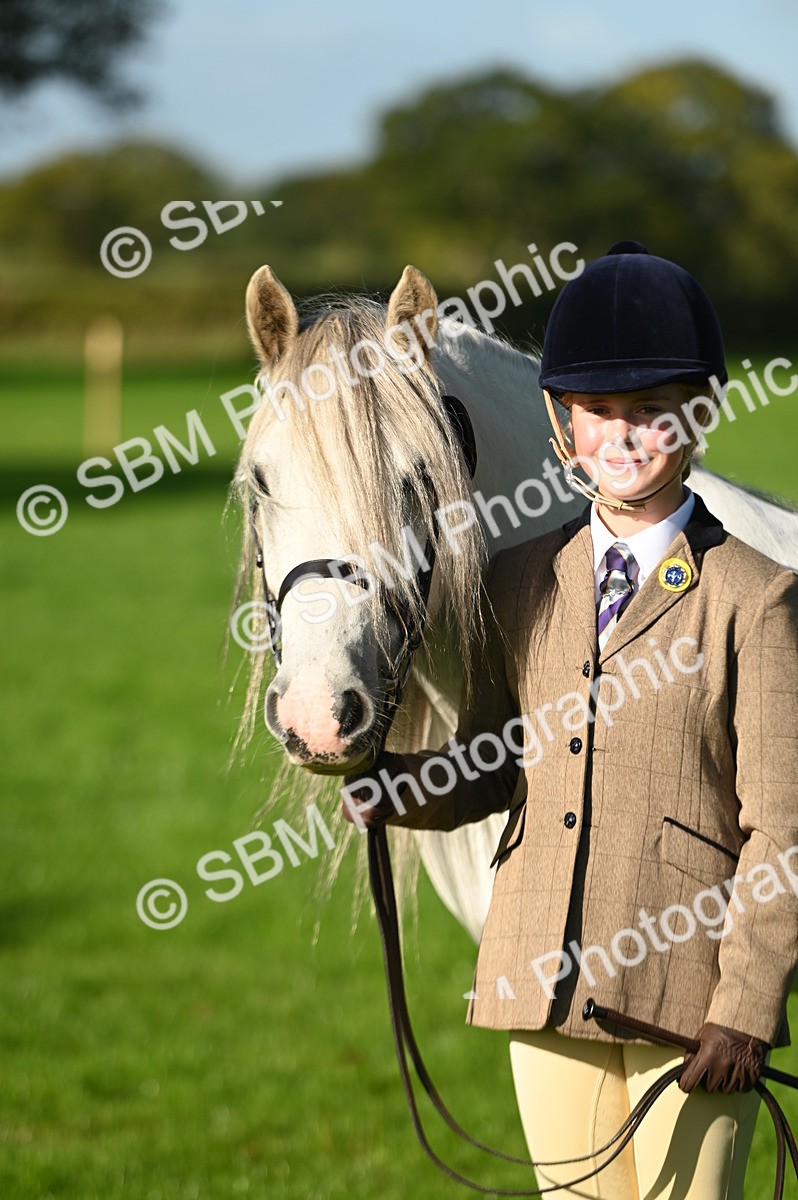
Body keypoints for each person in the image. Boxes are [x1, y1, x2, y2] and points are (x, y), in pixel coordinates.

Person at [342, 242, 798, 1199]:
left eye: (650, 412)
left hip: (692, 992)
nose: (622, 436)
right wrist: (400, 787)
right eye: (598, 413)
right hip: (540, 977)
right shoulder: (520, 582)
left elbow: (784, 829)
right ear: (560, 423)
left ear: (701, 413)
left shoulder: (757, 599)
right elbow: (491, 760)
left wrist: (747, 1009)